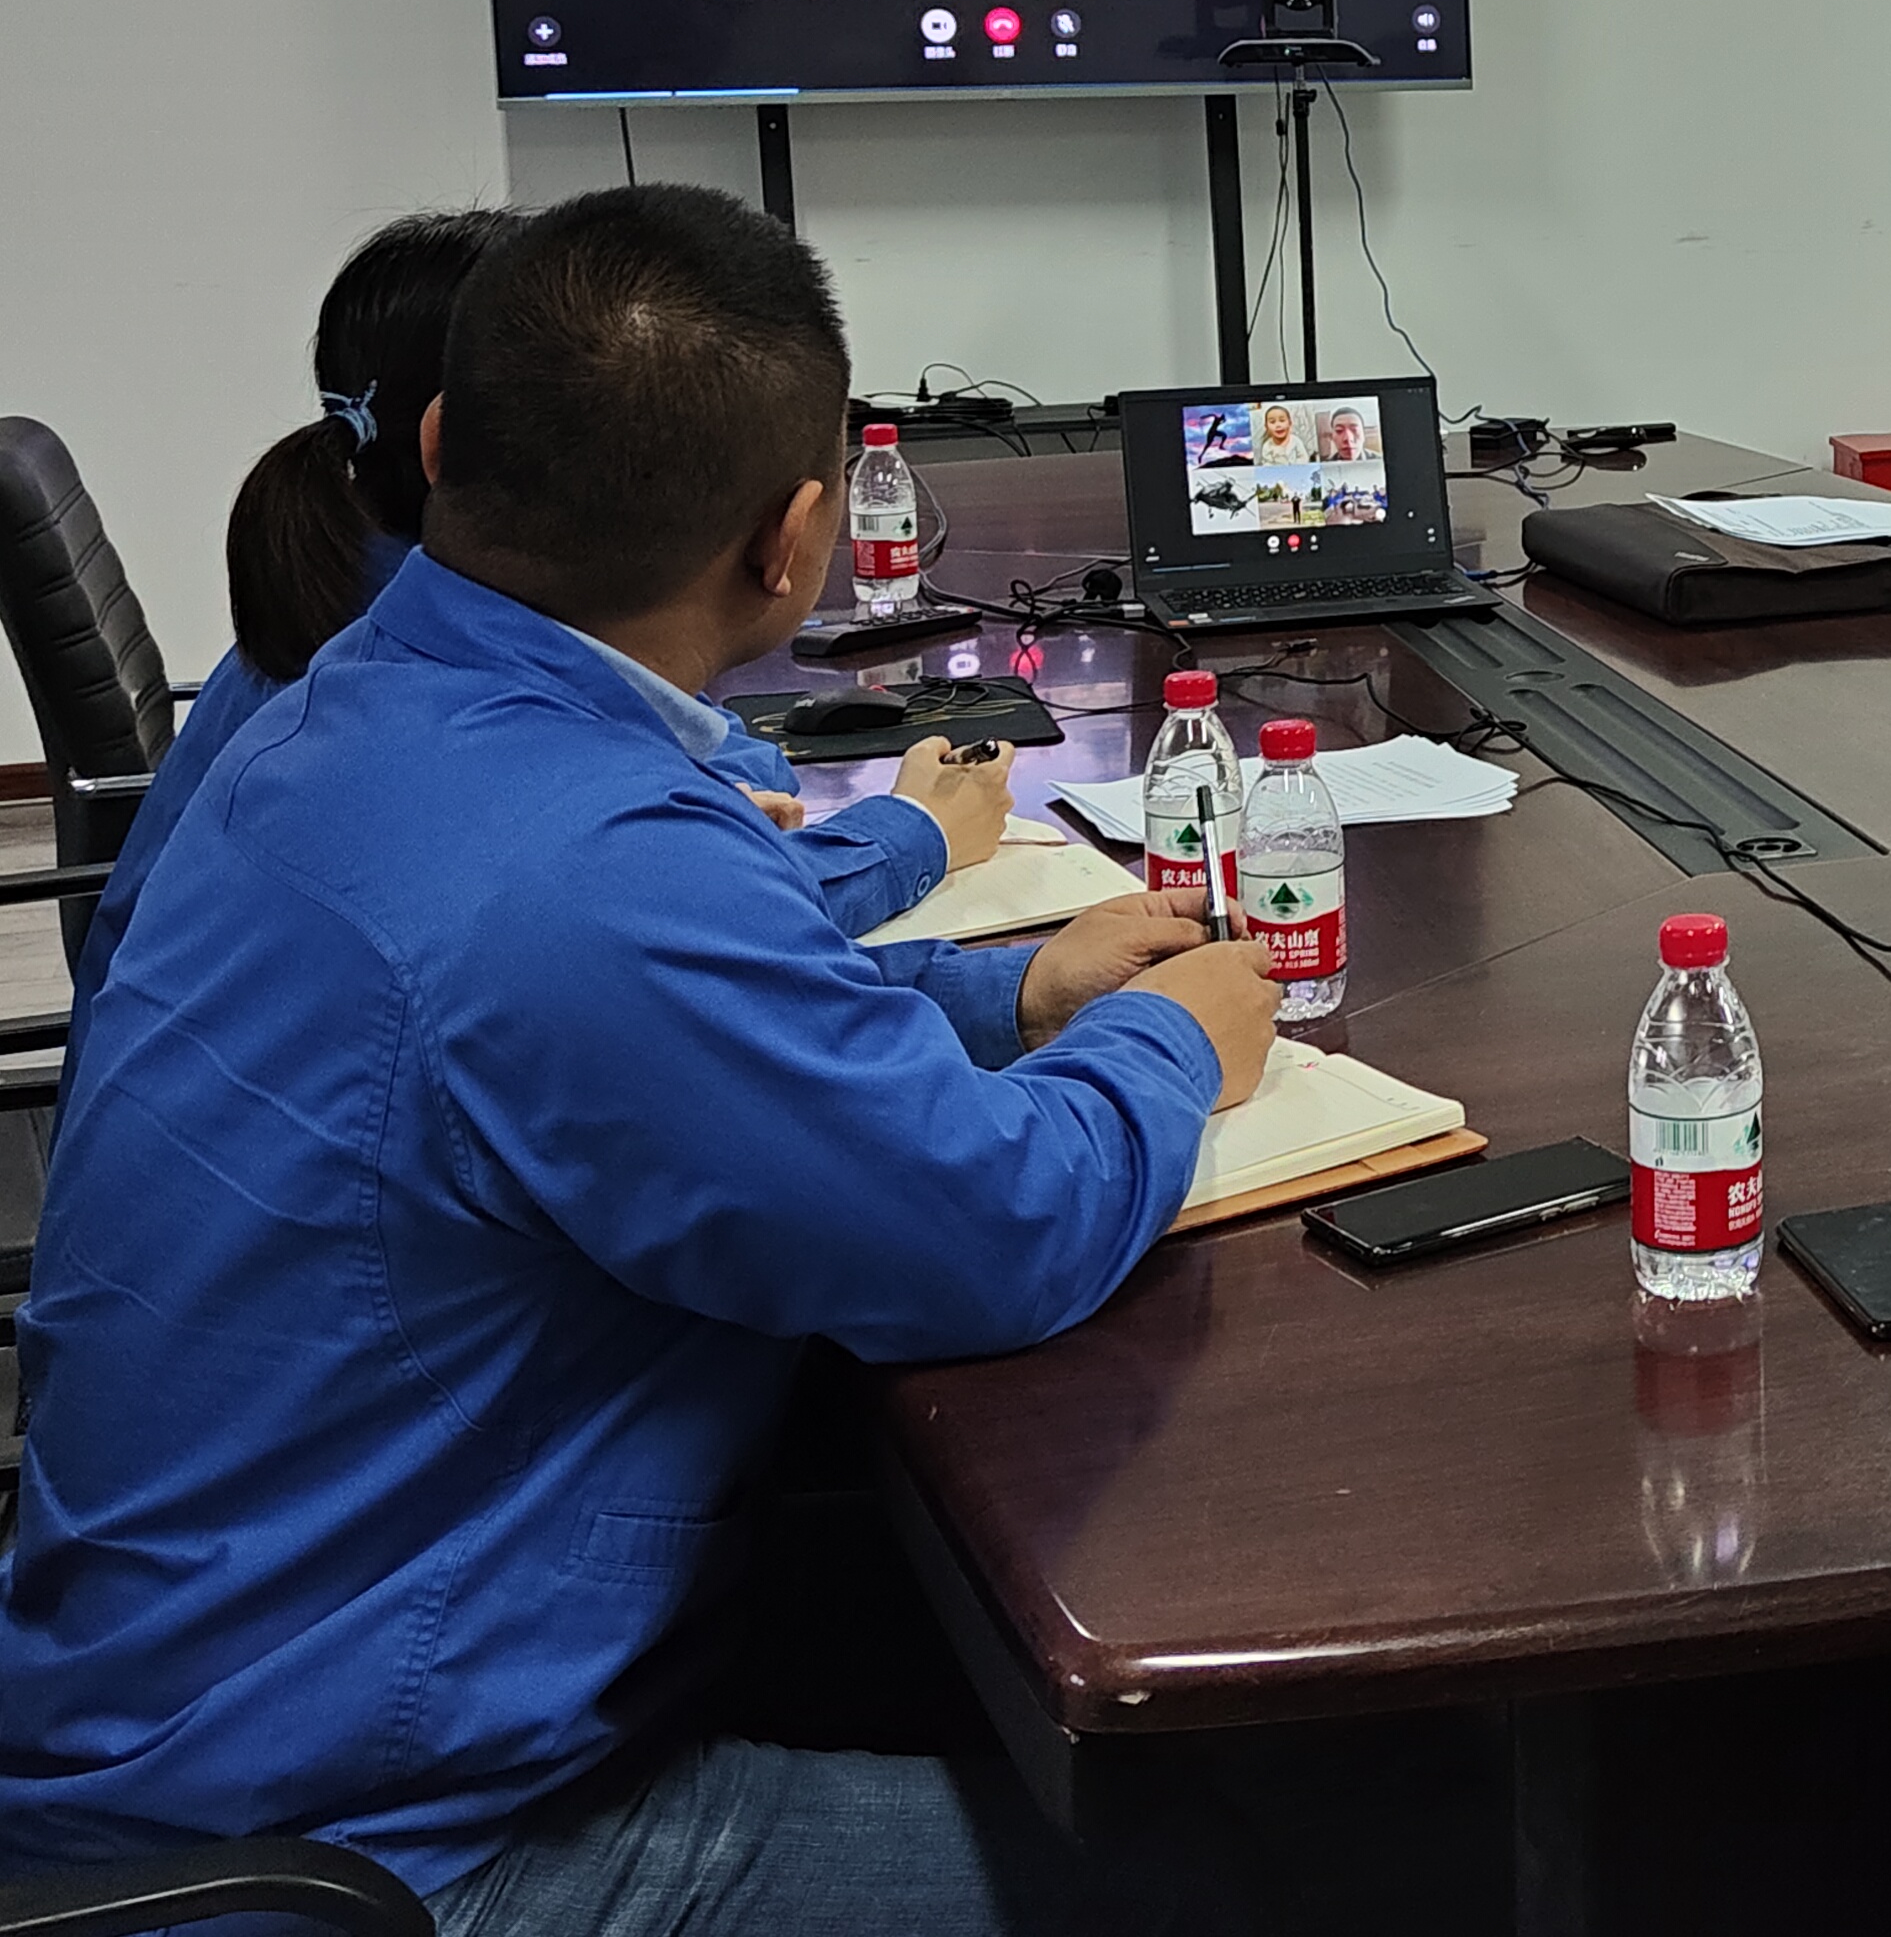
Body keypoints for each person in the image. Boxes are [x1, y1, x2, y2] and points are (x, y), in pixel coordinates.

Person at [0, 185, 1278, 1929]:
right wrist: (1164, 1046)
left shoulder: (346, 709)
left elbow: (636, 1048)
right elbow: (993, 1232)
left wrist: (1008, 1002)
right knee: (1278, 1864)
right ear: (795, 539)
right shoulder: (585, 863)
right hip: (373, 1845)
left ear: (439, 446)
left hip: (207, 1672)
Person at [76, 213, 998, 1025]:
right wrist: (905, 833)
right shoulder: (406, 690)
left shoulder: (381, 613)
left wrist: (713, 812)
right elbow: (660, 932)